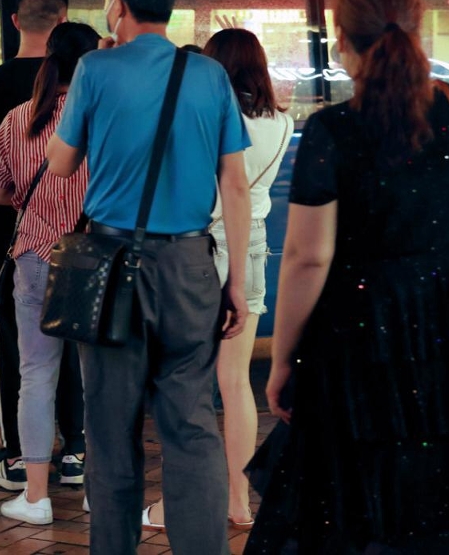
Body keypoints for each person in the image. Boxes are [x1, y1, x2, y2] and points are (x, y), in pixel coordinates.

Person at [249, 0, 449, 553]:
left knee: (356, 487)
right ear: (418, 27)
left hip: (358, 327)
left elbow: (308, 258)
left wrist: (284, 359)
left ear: (342, 39)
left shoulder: (333, 129)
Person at [46, 0, 253, 555]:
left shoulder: (95, 70)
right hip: (190, 265)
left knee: (111, 431)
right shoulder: (209, 75)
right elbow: (235, 185)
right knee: (192, 426)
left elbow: (60, 165)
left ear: (117, 5)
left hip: (111, 268)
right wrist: (236, 283)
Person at [144, 28, 293, 531]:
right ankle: (238, 502)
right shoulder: (281, 122)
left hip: (201, 246)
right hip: (252, 246)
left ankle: (180, 505)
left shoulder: (205, 117)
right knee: (236, 382)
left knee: (186, 384)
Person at [0, 0, 87, 490]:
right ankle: (79, 455)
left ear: (15, 21)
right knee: (86, 358)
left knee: (25, 360)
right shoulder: (98, 111)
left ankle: (22, 465)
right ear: (65, 20)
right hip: (90, 250)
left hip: (22, 244)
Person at [0, 22, 102, 525]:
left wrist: (29, 201)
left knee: (35, 376)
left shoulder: (20, 117)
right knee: (98, 378)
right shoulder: (105, 116)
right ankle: (98, 490)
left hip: (34, 256)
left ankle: (35, 498)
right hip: (93, 259)